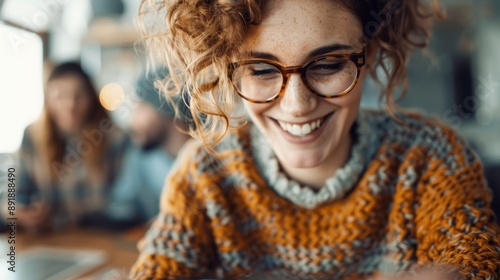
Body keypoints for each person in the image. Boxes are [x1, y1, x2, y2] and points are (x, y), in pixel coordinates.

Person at [131, 0, 500, 279]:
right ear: (230, 73)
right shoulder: (204, 175)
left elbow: (475, 262)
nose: (296, 105)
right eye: (260, 69)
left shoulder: (428, 158)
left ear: (368, 55)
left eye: (327, 65)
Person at [4, 62, 129, 233]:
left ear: (91, 97)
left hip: (98, 238)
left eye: (79, 95)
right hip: (48, 240)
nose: (70, 105)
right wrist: (19, 212)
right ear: (47, 99)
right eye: (59, 96)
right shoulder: (32, 135)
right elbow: (17, 192)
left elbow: (124, 206)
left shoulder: (115, 138)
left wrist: (66, 219)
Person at [105, 69, 192, 223]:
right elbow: (120, 205)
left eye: (140, 108)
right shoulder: (139, 157)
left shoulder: (209, 158)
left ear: (166, 107)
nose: (132, 121)